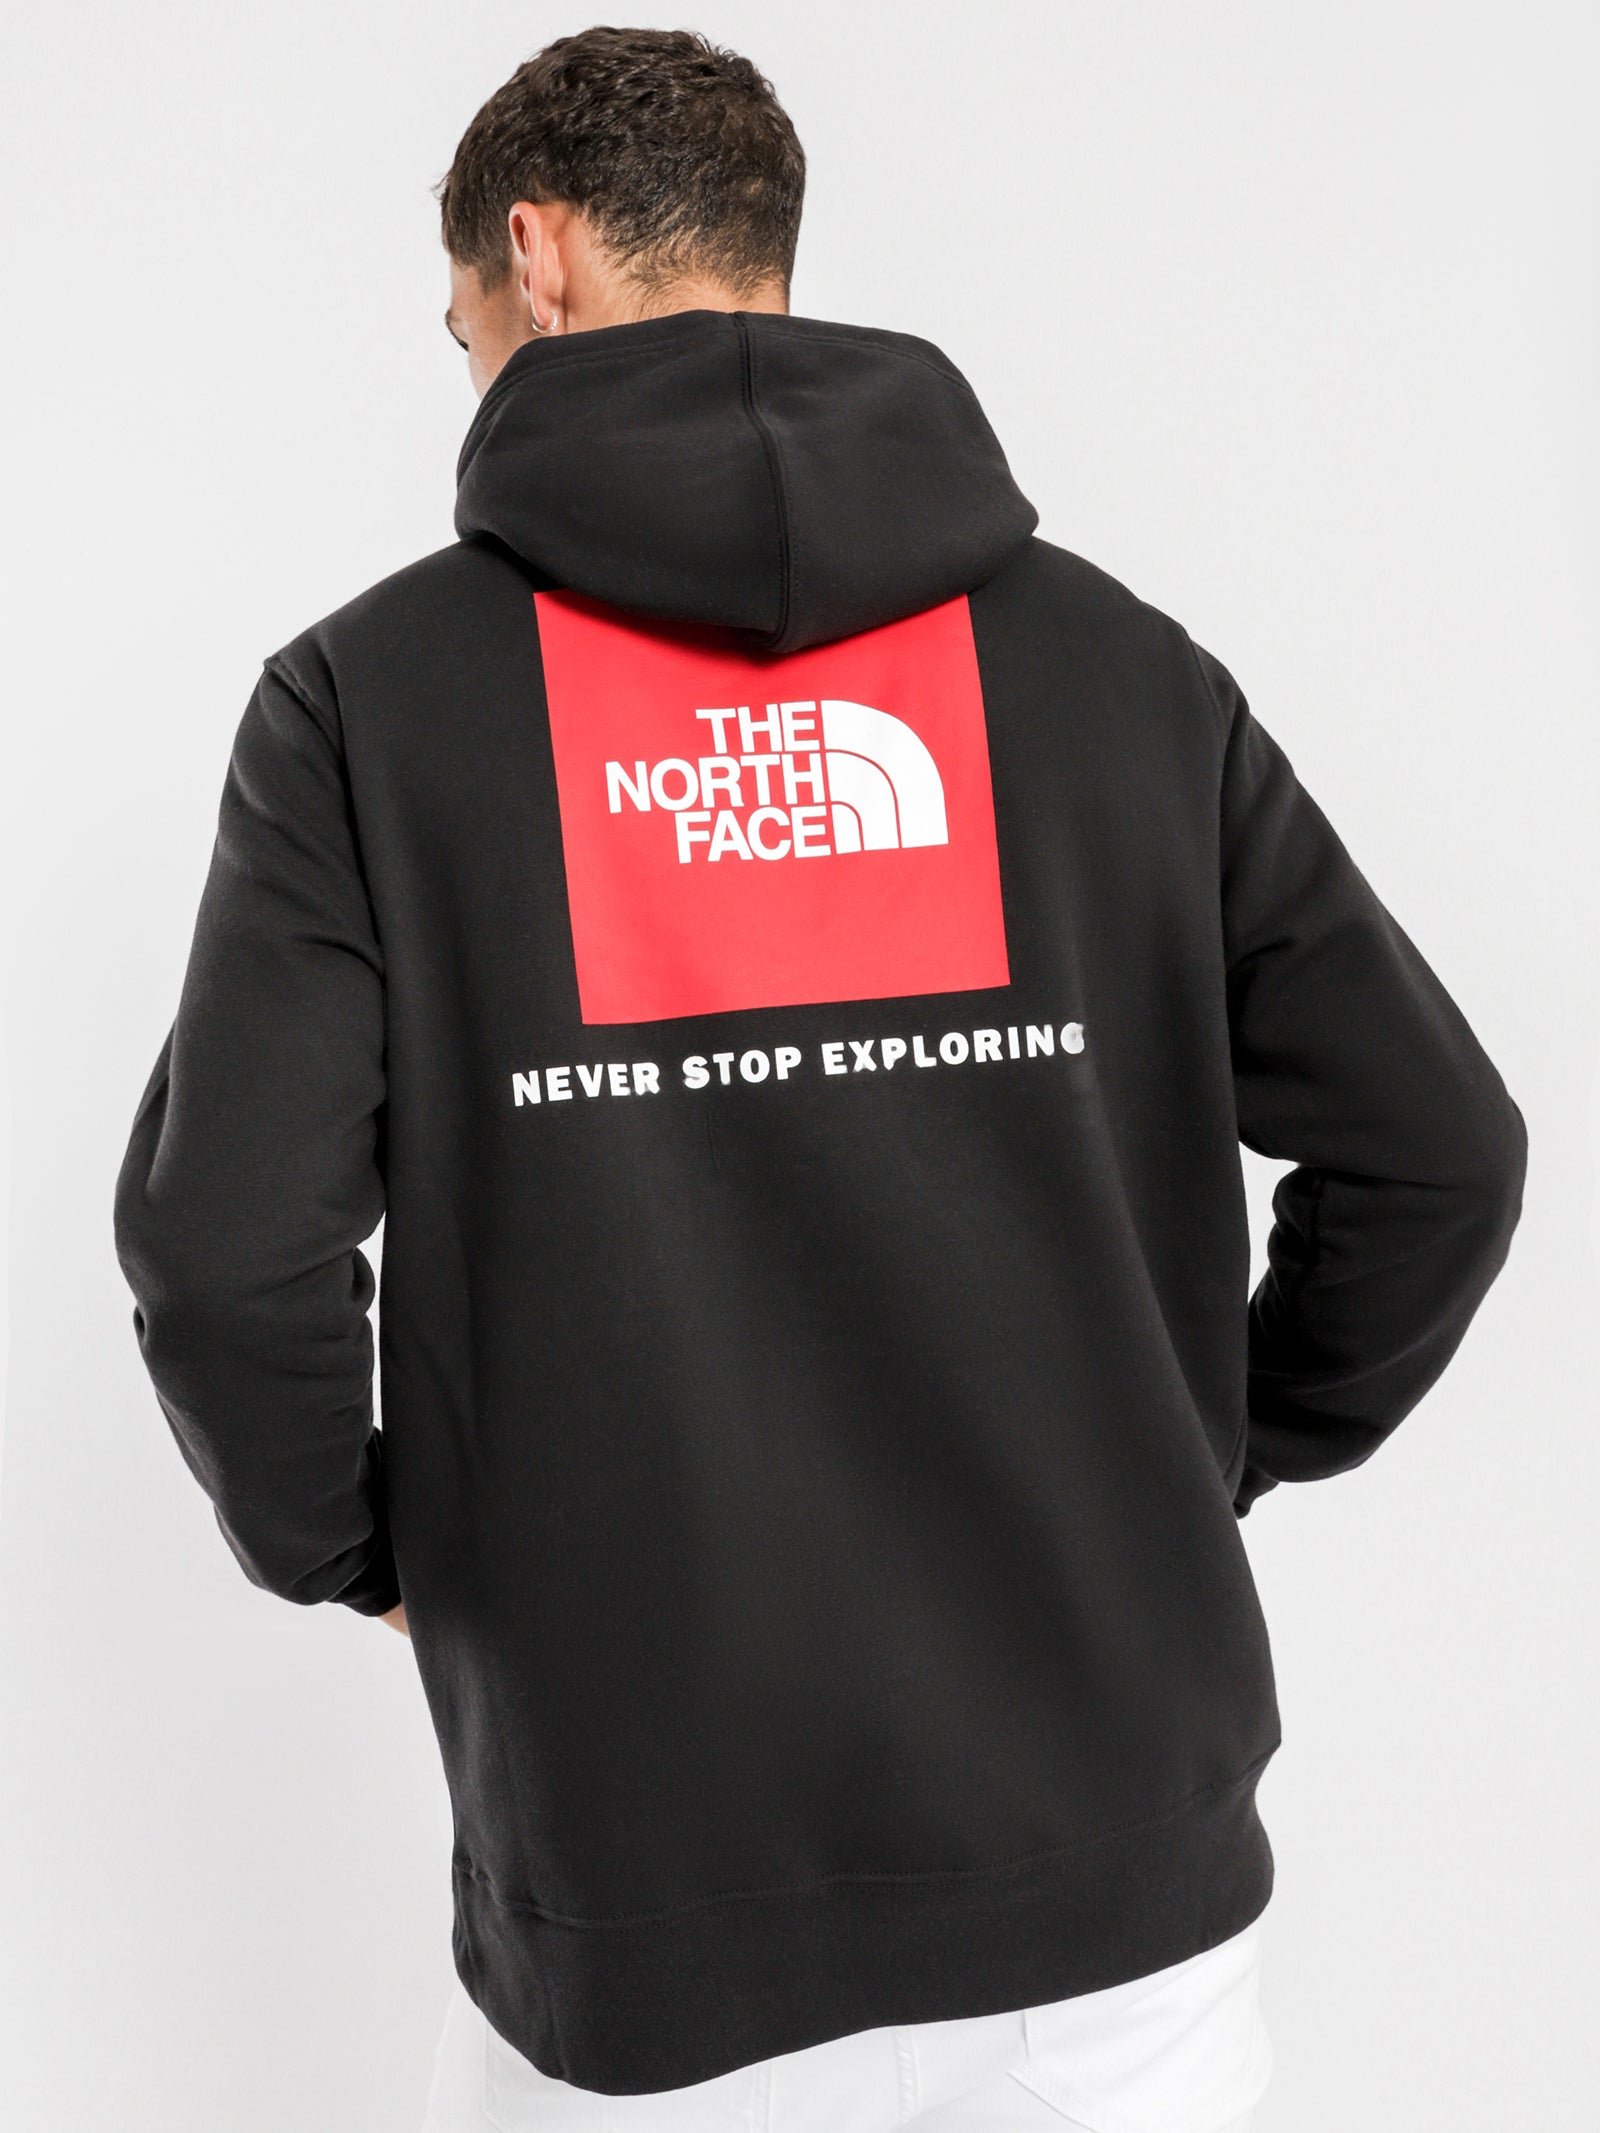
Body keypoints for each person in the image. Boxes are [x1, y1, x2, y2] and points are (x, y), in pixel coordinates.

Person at [112, 25, 1528, 2133]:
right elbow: (1438, 1149)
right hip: (1120, 1952)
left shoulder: (369, 705)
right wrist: (1204, 1447)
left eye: (457, 321)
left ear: (536, 255)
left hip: (642, 1936)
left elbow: (228, 1253)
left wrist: (369, 1545)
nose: (466, 360)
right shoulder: (1114, 668)